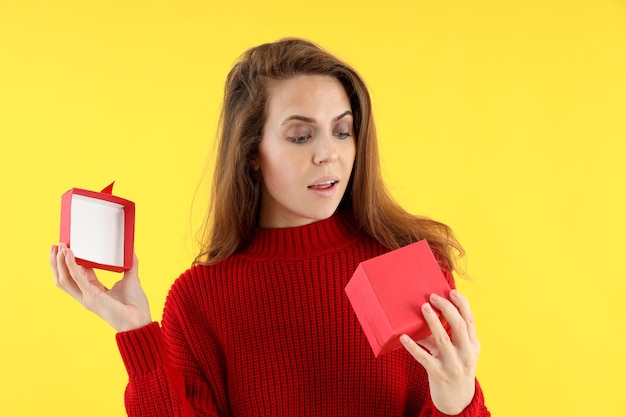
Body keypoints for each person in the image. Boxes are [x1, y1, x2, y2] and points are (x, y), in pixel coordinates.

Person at [50, 38, 490, 416]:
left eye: (342, 131)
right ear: (251, 152)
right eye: (301, 136)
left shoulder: (407, 265)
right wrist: (136, 331)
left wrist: (458, 400)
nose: (328, 154)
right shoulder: (200, 300)